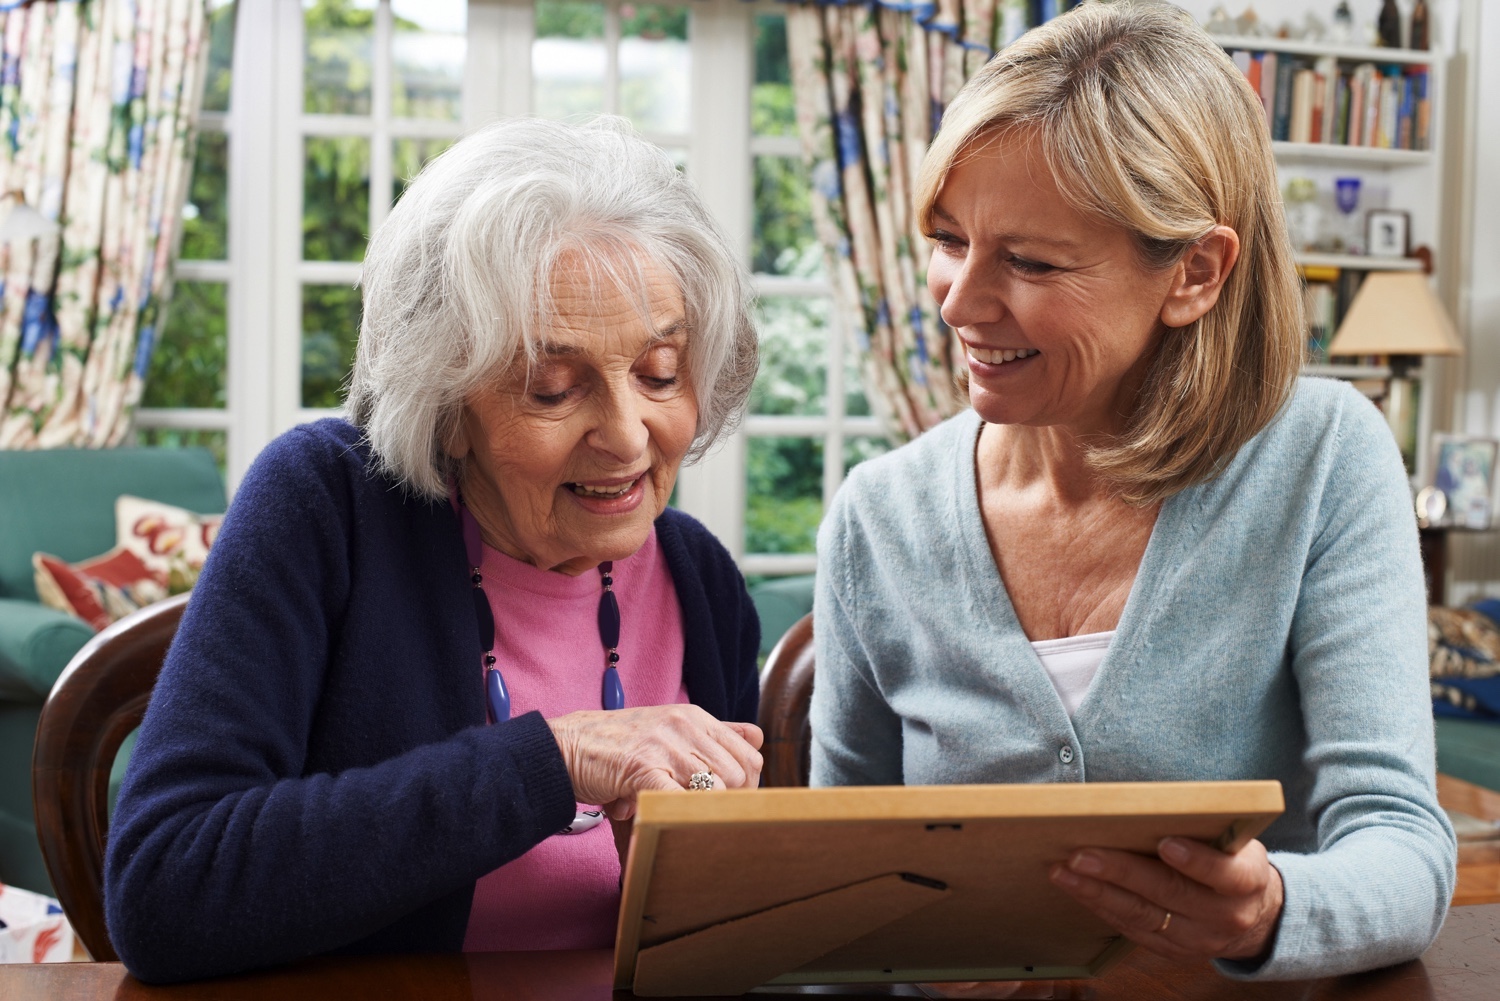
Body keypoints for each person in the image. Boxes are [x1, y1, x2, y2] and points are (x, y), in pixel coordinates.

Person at [810, 1, 1455, 981]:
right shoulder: (879, 514)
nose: (955, 300)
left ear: (1194, 271)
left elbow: (1403, 845)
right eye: (949, 237)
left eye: (1028, 259)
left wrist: (1271, 908)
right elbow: (834, 889)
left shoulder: (1323, 458)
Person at [104, 117, 764, 983]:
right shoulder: (325, 506)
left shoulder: (700, 579)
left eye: (660, 372)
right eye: (554, 388)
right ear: (446, 402)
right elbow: (166, 882)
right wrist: (552, 759)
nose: (627, 435)